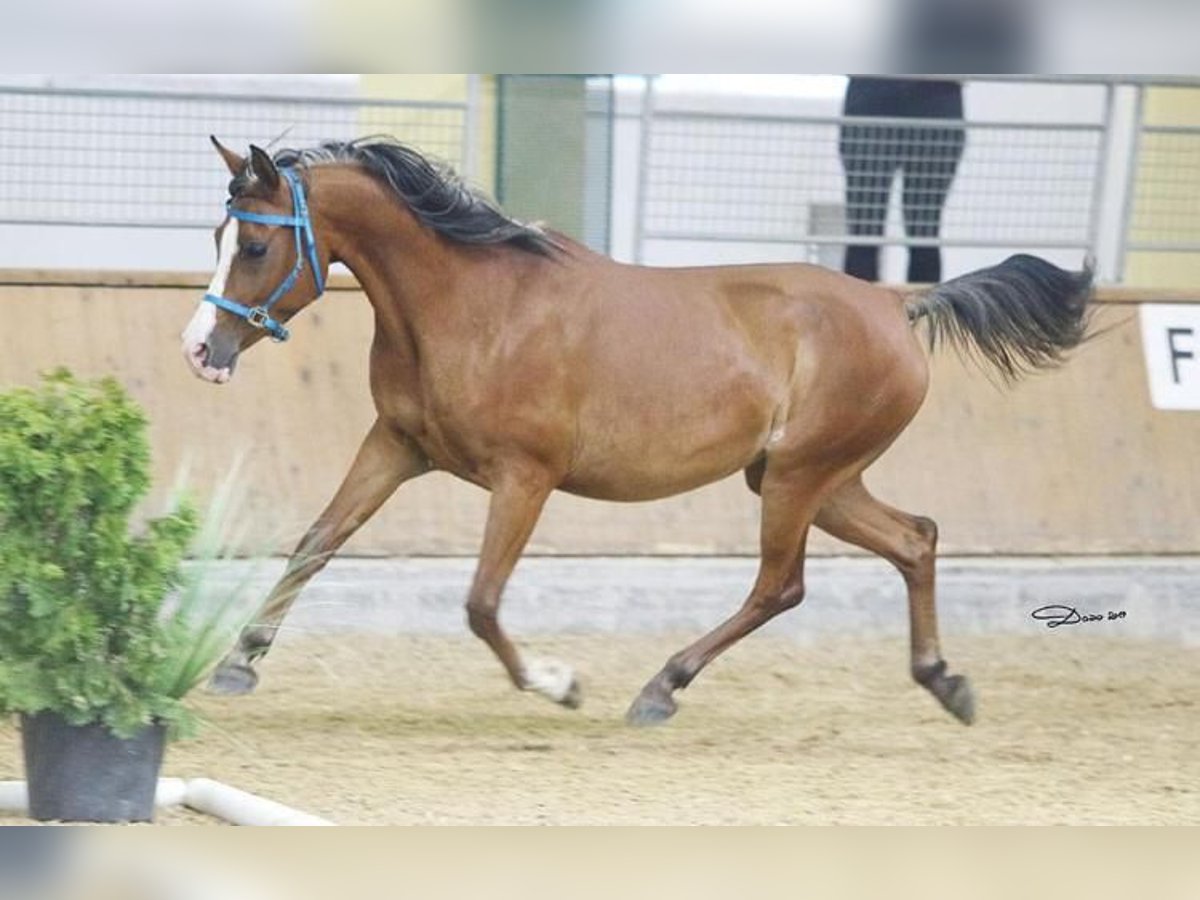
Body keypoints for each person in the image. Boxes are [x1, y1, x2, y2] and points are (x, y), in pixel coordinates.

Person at [839, 77, 965, 284]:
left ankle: (924, 313)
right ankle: (855, 311)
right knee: (864, 228)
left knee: (923, 230)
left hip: (937, 94)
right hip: (871, 93)